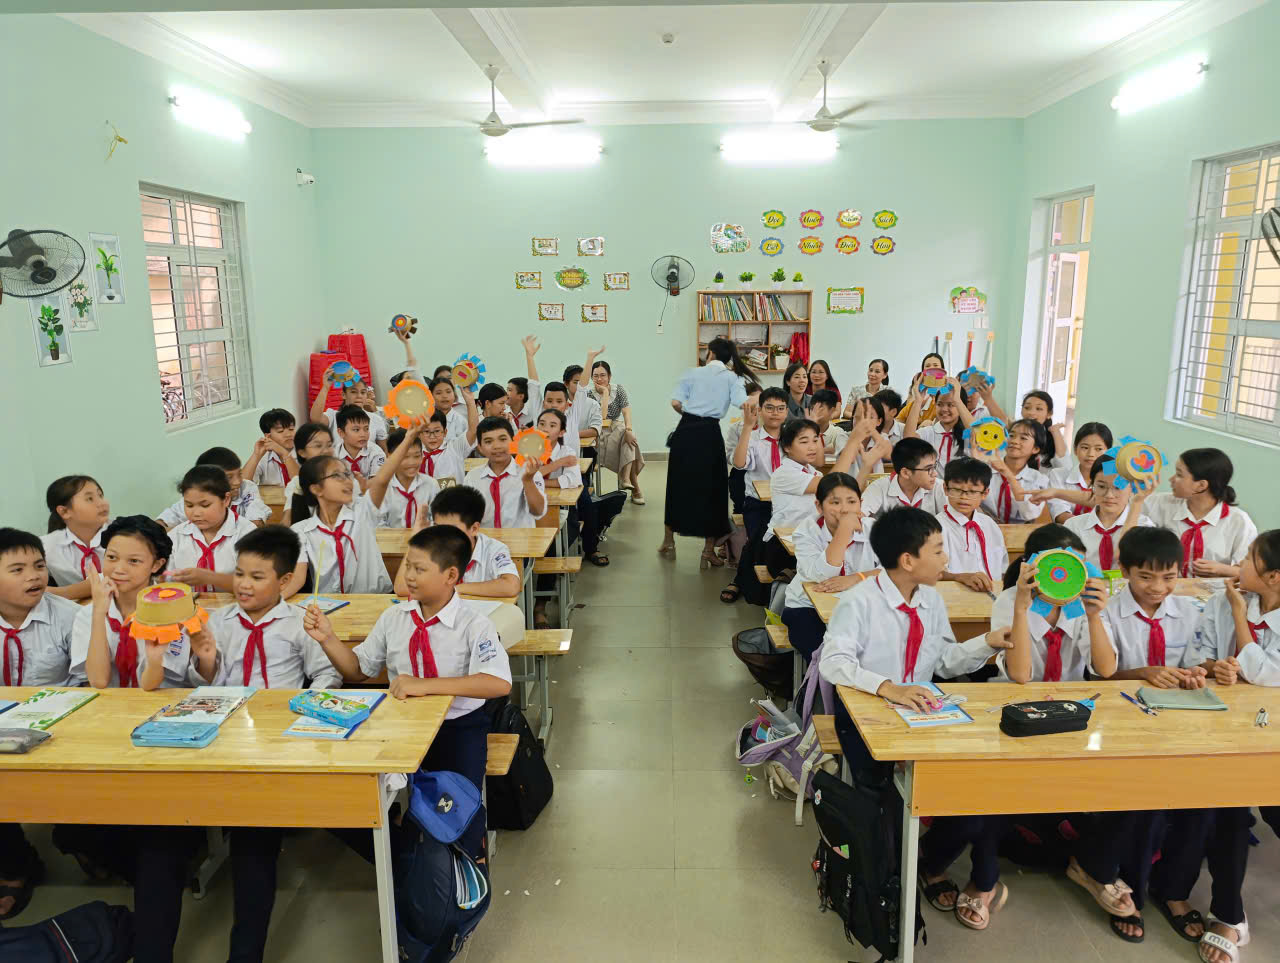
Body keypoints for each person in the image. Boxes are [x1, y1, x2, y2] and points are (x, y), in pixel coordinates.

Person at [305, 524, 512, 859]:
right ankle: (406, 857)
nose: (408, 577)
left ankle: (460, 860)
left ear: (451, 575)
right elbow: (357, 671)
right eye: (407, 566)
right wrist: (327, 638)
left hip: (457, 728)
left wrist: (425, 685)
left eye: (419, 569)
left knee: (458, 813)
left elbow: (498, 682)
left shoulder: (474, 624)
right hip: (400, 726)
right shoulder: (394, 617)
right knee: (354, 801)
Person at [818, 508, 1013, 773]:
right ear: (908, 561)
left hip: (918, 709)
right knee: (879, 786)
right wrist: (888, 688)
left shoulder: (931, 599)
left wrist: (987, 642)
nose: (946, 559)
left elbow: (942, 662)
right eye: (938, 551)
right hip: (867, 712)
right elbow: (833, 662)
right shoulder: (858, 601)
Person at [1164, 530, 1280, 963]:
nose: (1239, 565)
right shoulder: (1220, 601)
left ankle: (1227, 912)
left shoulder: (1233, 604)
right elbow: (1200, 654)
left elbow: (1267, 674)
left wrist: (1239, 616)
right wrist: (1217, 669)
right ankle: (1229, 914)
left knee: (1254, 805)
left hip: (1269, 734)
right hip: (1220, 726)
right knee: (1226, 806)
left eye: (1249, 559)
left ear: (1274, 577)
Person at [290, 423, 424, 593]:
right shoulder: (301, 531)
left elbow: (382, 479)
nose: (347, 481)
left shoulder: (362, 511)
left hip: (375, 599)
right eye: (337, 476)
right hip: (328, 604)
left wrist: (409, 438)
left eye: (347, 474)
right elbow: (297, 579)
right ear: (317, 489)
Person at [659, 337, 756, 563]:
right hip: (710, 434)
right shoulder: (733, 378)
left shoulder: (692, 373)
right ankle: (708, 551)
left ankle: (668, 540)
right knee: (714, 490)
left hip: (685, 432)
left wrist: (690, 415)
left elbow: (675, 403)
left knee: (677, 485)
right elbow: (744, 403)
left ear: (709, 353)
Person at [71, 516, 183, 689]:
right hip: (109, 704)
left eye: (134, 561)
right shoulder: (87, 614)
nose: (119, 569)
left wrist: (154, 661)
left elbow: (163, 683)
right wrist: (99, 614)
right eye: (112, 557)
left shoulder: (173, 612)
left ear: (156, 565)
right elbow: (98, 681)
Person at [779, 473, 878, 663]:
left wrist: (857, 577)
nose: (845, 509)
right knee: (828, 660)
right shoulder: (806, 532)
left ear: (861, 503)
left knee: (874, 654)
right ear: (819, 506)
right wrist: (844, 531)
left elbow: (897, 570)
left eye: (851, 502)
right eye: (835, 502)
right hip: (807, 607)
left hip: (859, 607)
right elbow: (821, 576)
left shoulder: (873, 529)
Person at [764, 417, 860, 576]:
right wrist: (852, 443)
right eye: (804, 442)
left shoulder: (814, 473)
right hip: (783, 548)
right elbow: (835, 484)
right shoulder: (784, 473)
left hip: (810, 541)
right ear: (787, 447)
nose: (812, 447)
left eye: (815, 440)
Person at [1143, 448, 1257, 579]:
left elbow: (1251, 573)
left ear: (1201, 485)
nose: (1171, 479)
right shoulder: (1159, 503)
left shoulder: (1239, 521)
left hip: (1214, 591)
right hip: (1163, 588)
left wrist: (1222, 570)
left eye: (1179, 475)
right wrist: (1137, 500)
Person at [394, 486, 520, 599]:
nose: (443, 535)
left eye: (451, 529)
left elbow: (511, 585)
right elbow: (402, 588)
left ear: (474, 529)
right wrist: (417, 537)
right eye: (438, 527)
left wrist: (456, 589)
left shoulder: (493, 549)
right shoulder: (432, 548)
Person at [0, 527, 77, 686]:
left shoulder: (72, 617)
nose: (34, 576)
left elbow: (91, 682)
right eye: (18, 570)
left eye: (40, 566)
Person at [166, 466, 257, 593]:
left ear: (226, 499)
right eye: (189, 505)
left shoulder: (247, 534)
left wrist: (210, 578)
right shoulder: (176, 536)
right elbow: (165, 581)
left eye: (205, 505)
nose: (196, 513)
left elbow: (254, 585)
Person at [1064, 459, 1154, 570]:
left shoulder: (1145, 526)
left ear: (1132, 489)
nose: (1109, 495)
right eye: (1101, 486)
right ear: (1092, 486)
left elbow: (1126, 558)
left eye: (1118, 487)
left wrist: (1137, 503)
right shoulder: (1073, 526)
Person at [935, 457, 1006, 594]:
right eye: (957, 490)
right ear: (945, 489)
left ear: (985, 493)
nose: (964, 497)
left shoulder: (989, 525)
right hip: (954, 598)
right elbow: (932, 572)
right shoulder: (936, 527)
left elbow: (1003, 568)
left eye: (972, 492)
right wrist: (959, 577)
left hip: (994, 597)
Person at [462, 417, 547, 529]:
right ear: (480, 448)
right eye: (488, 441)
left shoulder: (529, 472)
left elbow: (538, 511)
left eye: (502, 439)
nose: (497, 446)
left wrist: (528, 480)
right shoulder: (472, 477)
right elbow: (466, 515)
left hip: (520, 538)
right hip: (485, 538)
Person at [158, 447, 270, 529]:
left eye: (239, 474)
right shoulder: (195, 498)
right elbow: (161, 523)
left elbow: (256, 523)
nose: (237, 482)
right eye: (229, 477)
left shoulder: (246, 488)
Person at [42, 474, 110, 600]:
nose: (102, 503)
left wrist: (56, 593)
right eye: (90, 499)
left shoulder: (124, 534)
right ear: (64, 511)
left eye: (100, 496)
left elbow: (112, 578)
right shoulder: (47, 546)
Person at [590, 359, 647, 505]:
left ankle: (626, 478)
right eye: (595, 376)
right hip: (598, 431)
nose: (599, 379)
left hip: (616, 427)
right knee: (626, 440)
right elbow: (602, 418)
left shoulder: (618, 389)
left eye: (603, 375)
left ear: (609, 376)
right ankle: (632, 484)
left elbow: (626, 411)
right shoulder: (589, 394)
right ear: (591, 377)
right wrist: (605, 393)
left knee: (628, 436)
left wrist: (629, 429)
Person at [1034, 422, 1113, 522]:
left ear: (1108, 452)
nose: (1091, 454)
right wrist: (1086, 527)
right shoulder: (1058, 475)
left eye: (1098, 449)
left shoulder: (1115, 479)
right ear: (1075, 449)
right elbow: (1059, 513)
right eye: (1085, 447)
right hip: (1067, 530)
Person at [981, 419, 1049, 523]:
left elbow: (1029, 513)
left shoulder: (1039, 479)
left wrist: (1008, 474)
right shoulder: (985, 469)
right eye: (1011, 435)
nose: (1014, 441)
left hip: (1020, 531)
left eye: (1023, 438)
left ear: (1035, 449)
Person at [310, 363, 388, 450]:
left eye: (363, 392)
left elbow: (383, 450)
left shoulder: (376, 419)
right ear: (343, 395)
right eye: (353, 392)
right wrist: (326, 387)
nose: (359, 396)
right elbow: (315, 418)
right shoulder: (333, 416)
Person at [861, 438, 945, 518]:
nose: (935, 474)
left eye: (934, 466)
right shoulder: (879, 487)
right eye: (928, 469)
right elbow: (859, 517)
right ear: (905, 473)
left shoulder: (940, 487)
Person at [377, 426, 440, 529]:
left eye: (417, 456)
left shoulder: (431, 485)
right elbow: (378, 525)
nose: (412, 463)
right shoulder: (383, 487)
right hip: (389, 539)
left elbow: (437, 520)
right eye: (405, 457)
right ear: (390, 456)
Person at [905, 375, 973, 467]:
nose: (944, 409)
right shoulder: (928, 432)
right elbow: (907, 441)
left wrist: (957, 399)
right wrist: (918, 400)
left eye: (950, 405)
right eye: (939, 404)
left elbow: (978, 434)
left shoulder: (967, 433)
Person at [278, 422, 335, 526]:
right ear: (302, 452)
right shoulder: (297, 483)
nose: (326, 451)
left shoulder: (345, 480)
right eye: (318, 446)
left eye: (329, 445)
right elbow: (287, 520)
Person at [333, 404, 385, 490]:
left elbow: (376, 485)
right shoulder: (334, 455)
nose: (363, 434)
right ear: (341, 433)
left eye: (366, 429)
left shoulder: (376, 453)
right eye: (356, 430)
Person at [244, 408, 299, 486]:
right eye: (280, 431)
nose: (289, 434)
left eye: (291, 429)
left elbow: (300, 484)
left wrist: (284, 453)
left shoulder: (303, 452)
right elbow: (242, 485)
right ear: (268, 436)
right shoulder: (263, 458)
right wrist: (256, 455)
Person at [1017, 390, 1069, 468]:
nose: (1031, 412)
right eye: (1027, 408)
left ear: (1049, 414)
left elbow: (1065, 467)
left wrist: (1056, 432)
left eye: (1038, 409)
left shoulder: (1055, 437)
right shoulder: (1014, 433)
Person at [807, 389, 848, 454]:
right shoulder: (803, 432)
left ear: (832, 411)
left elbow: (845, 454)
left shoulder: (838, 433)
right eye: (812, 409)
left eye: (820, 408)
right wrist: (824, 451)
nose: (815, 413)